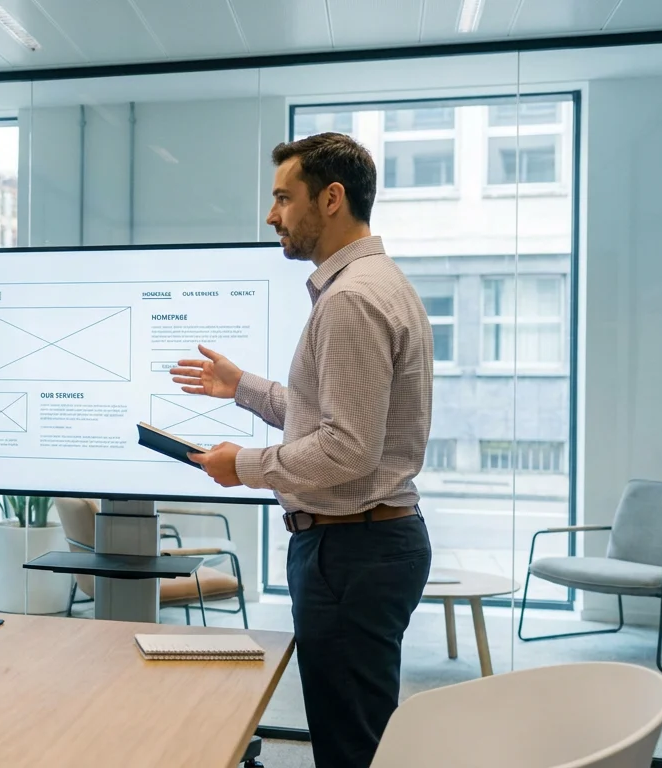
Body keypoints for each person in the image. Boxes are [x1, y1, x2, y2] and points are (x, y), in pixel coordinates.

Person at [171, 133, 434, 768]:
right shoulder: (375, 283)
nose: (272, 216)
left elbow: (346, 451)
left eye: (284, 198)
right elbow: (336, 419)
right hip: (363, 545)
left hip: (351, 550)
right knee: (358, 731)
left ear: (332, 199)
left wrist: (244, 467)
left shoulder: (350, 299)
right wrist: (245, 389)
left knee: (350, 747)